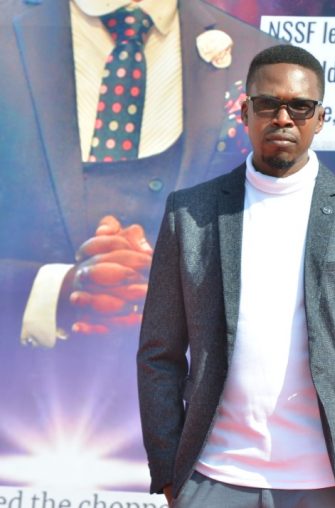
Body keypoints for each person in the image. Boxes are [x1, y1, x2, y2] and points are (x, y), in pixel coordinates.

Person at [0, 0, 277, 489]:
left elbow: (278, 247)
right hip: (15, 410)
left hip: (197, 437)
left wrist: (172, 288)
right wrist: (53, 289)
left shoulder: (257, 59)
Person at [136, 44, 335, 507]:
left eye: (300, 107)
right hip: (213, 475)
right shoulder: (189, 214)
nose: (283, 118)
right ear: (245, 112)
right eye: (268, 104)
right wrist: (169, 472)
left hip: (330, 482)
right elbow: (158, 354)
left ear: (320, 118)